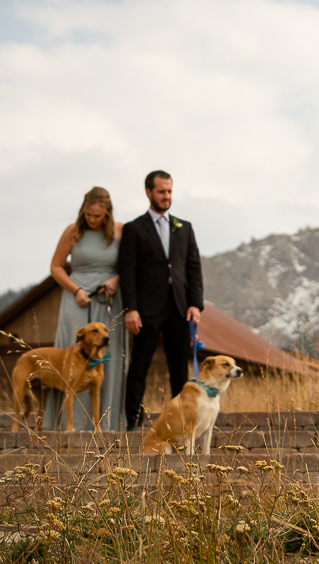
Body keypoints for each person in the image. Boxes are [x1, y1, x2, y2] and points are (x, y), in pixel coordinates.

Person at [119, 170, 204, 431]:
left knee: (179, 368)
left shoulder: (184, 227)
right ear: (148, 192)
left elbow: (193, 268)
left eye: (169, 191)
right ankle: (132, 423)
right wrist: (131, 308)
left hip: (179, 308)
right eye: (161, 191)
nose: (166, 196)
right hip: (146, 309)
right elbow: (127, 272)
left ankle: (180, 424)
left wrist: (195, 304)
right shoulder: (134, 229)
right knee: (139, 366)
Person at [43, 187, 128, 431]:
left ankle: (106, 423)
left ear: (108, 214)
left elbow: (131, 265)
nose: (92, 220)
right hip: (77, 298)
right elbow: (56, 267)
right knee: (70, 358)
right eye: (88, 215)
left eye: (98, 216)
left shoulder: (121, 231)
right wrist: (75, 289)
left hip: (108, 299)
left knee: (108, 357)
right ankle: (67, 425)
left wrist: (116, 280)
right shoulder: (72, 231)